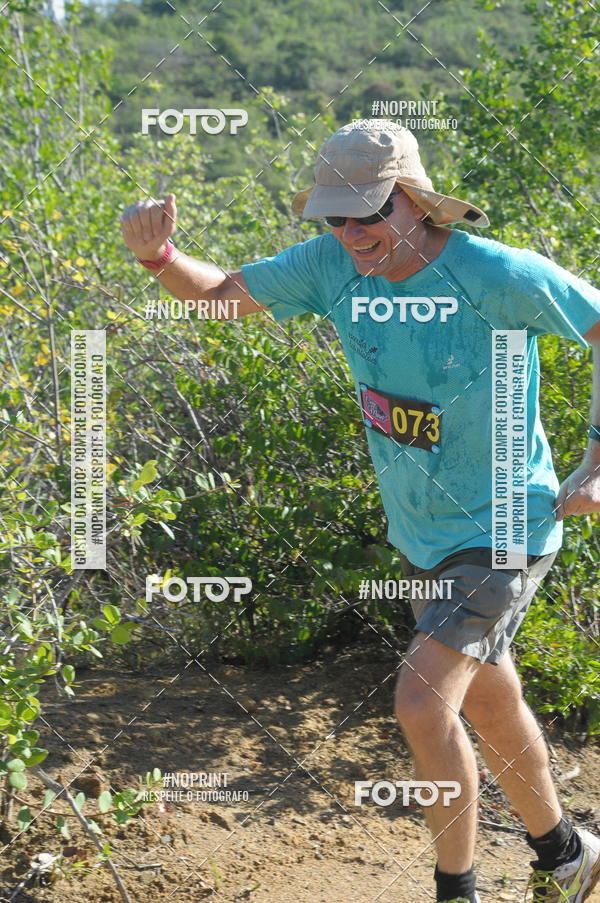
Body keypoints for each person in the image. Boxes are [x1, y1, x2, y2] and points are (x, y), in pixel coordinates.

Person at [120, 120, 600, 903]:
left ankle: (458, 891)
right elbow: (219, 302)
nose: (351, 233)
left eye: (368, 213)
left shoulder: (493, 274)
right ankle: (566, 853)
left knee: (421, 697)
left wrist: (598, 462)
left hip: (506, 522)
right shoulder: (331, 265)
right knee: (487, 695)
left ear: (413, 201)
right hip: (423, 530)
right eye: (335, 216)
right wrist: (158, 257)